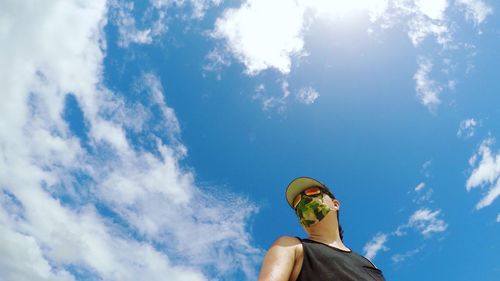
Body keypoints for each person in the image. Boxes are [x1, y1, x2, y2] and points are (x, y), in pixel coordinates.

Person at [257, 177, 386, 281]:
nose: (304, 202)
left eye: (311, 192)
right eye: (297, 204)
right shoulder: (290, 246)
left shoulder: (368, 263)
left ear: (335, 204)